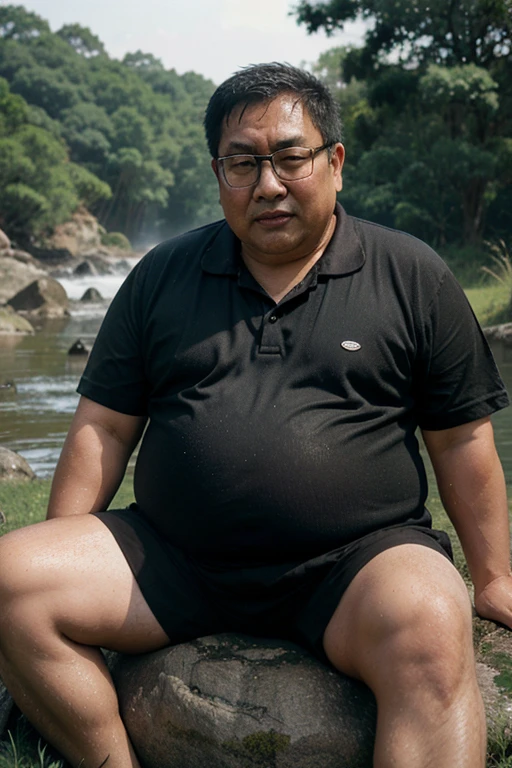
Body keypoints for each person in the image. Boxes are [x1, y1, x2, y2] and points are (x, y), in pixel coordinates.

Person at [0, 62, 510, 768]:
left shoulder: (412, 274)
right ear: (219, 176)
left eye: (289, 158)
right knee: (14, 579)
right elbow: (104, 427)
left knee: (430, 621)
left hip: (355, 564)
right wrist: (67, 543)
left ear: (334, 162)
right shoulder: (162, 275)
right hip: (174, 560)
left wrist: (496, 579)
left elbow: (461, 442)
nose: (267, 184)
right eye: (243, 163)